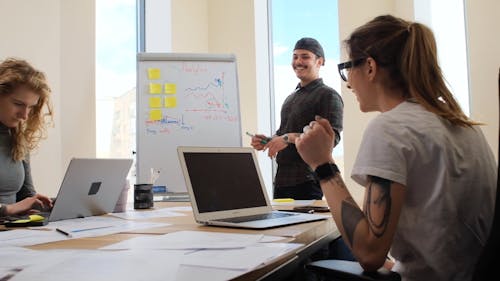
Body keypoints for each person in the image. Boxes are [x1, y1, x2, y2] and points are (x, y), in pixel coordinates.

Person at [296, 15, 497, 281]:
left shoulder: (390, 128)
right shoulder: (462, 125)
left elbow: (369, 254)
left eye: (347, 68)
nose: (347, 82)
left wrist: (322, 164)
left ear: (369, 67)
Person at [250, 37, 343, 200]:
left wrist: (287, 138)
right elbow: (283, 134)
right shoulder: (290, 99)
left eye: (305, 56)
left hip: (308, 182)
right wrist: (268, 140)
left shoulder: (328, 95)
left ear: (319, 61)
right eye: (295, 57)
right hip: (281, 183)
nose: (298, 61)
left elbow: (330, 139)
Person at [0, 58, 54, 217]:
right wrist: (7, 209)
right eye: (18, 104)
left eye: (30, 107)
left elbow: (26, 197)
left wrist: (51, 205)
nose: (24, 115)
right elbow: (13, 208)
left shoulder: (17, 137)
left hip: (11, 233)